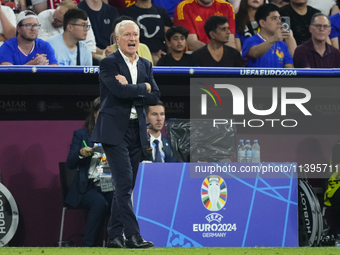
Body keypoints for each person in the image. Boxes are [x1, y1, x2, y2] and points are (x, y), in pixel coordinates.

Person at [91, 20, 160, 249]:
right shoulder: (108, 63)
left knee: (127, 186)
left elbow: (155, 96)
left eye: (136, 34)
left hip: (136, 130)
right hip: (114, 132)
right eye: (127, 35)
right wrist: (143, 87)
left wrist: (135, 86)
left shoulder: (146, 64)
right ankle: (133, 236)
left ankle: (114, 236)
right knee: (123, 184)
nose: (133, 39)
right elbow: (119, 92)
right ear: (117, 39)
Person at [66, 97, 113, 247]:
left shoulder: (117, 135)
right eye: (101, 112)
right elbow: (70, 163)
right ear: (94, 113)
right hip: (87, 187)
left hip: (110, 183)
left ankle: (116, 243)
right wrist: (81, 153)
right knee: (99, 203)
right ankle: (88, 246)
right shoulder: (81, 134)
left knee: (121, 202)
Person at [120, 0, 173, 65]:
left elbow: (169, 37)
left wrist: (169, 57)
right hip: (137, 54)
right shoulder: (126, 12)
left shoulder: (162, 12)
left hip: (161, 55)